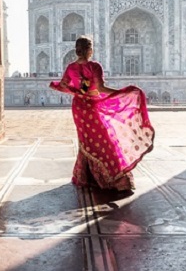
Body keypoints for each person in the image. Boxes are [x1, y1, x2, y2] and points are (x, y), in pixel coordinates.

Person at [50, 36, 155, 191]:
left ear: (77, 50)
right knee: (104, 138)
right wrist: (121, 93)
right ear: (90, 50)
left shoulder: (71, 67)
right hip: (92, 105)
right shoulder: (94, 66)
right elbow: (100, 88)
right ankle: (111, 176)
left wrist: (77, 92)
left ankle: (87, 175)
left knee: (87, 140)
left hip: (79, 107)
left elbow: (64, 85)